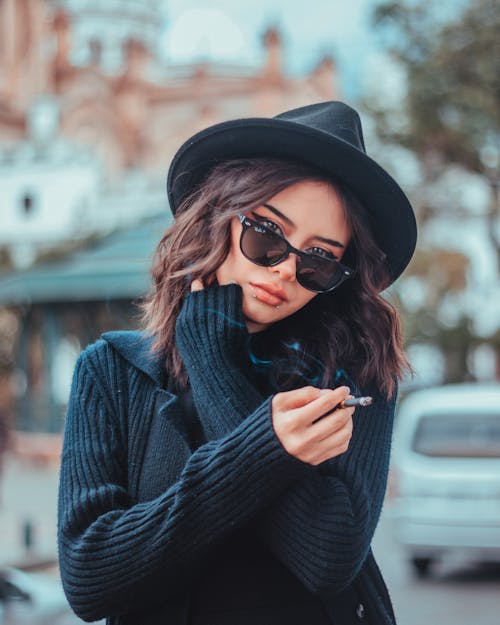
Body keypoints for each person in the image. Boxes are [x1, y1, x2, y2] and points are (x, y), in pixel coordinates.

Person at [58, 101, 417, 625]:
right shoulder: (112, 371)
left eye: (319, 259)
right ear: (217, 218)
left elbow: (327, 559)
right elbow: (90, 579)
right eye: (267, 235)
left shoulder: (354, 373)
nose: (288, 270)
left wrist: (217, 372)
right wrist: (264, 448)